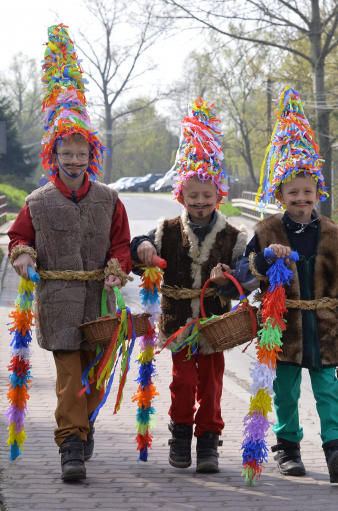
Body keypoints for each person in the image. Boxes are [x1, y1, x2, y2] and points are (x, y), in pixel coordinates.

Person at [7, 24, 132, 482]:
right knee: (67, 376)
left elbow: (121, 240)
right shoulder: (37, 202)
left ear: (91, 155)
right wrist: (23, 258)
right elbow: (19, 239)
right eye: (67, 152)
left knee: (95, 374)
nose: (75, 160)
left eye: (82, 152)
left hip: (99, 300)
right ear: (53, 154)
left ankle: (84, 425)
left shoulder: (108, 198)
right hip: (58, 301)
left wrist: (119, 267)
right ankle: (71, 447)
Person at [235, 87, 338, 484]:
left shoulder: (333, 234)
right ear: (280, 193)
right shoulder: (266, 231)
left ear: (318, 194)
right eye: (292, 193)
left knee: (328, 389)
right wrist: (264, 260)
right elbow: (246, 273)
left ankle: (337, 449)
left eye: (307, 192)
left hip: (326, 326)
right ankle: (288, 447)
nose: (301, 199)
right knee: (287, 391)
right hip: (285, 329)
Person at [130, 99, 247, 473]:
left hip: (215, 324)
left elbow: (246, 275)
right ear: (181, 195)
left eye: (207, 197)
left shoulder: (233, 236)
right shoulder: (165, 230)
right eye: (193, 196)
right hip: (178, 321)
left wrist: (228, 278)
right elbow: (137, 249)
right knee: (183, 381)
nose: (200, 203)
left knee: (212, 385)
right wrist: (142, 248)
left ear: (219, 196)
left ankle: (209, 441)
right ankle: (180, 434)